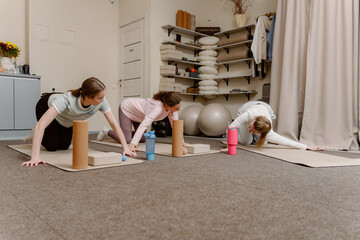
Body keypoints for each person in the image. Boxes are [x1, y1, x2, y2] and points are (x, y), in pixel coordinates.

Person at [22, 77, 136, 167]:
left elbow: (114, 124)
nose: (103, 100)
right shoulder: (66, 101)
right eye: (99, 98)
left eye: (103, 97)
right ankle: (36, 134)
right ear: (87, 97)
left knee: (64, 146)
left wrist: (125, 148)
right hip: (46, 106)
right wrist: (35, 157)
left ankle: (46, 133)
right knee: (52, 146)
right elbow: (41, 125)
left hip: (66, 119)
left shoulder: (102, 102)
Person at [97, 91, 185, 152]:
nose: (179, 109)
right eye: (177, 107)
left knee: (143, 139)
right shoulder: (157, 108)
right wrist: (132, 145)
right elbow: (144, 125)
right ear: (167, 105)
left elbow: (175, 124)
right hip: (127, 109)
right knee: (127, 140)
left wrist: (181, 141)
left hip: (139, 116)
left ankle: (124, 133)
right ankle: (106, 131)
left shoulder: (171, 110)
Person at [222, 101, 323, 151]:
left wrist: (308, 147)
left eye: (253, 131)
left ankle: (256, 137)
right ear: (253, 120)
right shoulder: (248, 114)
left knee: (264, 142)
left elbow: (286, 141)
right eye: (251, 127)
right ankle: (249, 136)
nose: (251, 129)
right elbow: (232, 127)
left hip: (265, 109)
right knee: (245, 141)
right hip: (249, 106)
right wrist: (229, 147)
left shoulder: (268, 130)